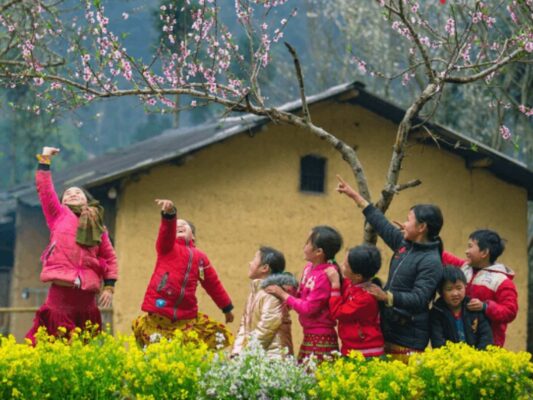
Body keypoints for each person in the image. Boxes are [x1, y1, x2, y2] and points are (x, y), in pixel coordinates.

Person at [336, 175, 443, 362]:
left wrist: (387, 297)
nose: (404, 223)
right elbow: (381, 223)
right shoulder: (404, 244)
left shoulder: (431, 261)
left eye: (409, 220)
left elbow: (420, 298)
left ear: (421, 227)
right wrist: (355, 197)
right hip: (389, 327)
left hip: (409, 337)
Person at [26, 146, 118, 344]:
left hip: (87, 299)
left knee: (83, 348)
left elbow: (109, 257)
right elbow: (45, 190)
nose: (73, 194)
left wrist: (109, 287)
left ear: (87, 200)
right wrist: (45, 159)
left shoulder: (98, 225)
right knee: (56, 345)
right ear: (61, 202)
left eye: (78, 192)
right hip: (61, 294)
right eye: (68, 193)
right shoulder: (58, 216)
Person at [132, 199, 234, 349]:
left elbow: (213, 284)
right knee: (158, 349)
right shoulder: (166, 248)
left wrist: (226, 308)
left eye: (184, 225)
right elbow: (166, 232)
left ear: (193, 236)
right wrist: (169, 215)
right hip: (160, 310)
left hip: (185, 315)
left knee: (213, 335)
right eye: (176, 225)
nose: (179, 225)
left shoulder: (201, 258)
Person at [265, 226, 342, 362]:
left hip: (321, 338)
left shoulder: (325, 275)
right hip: (309, 335)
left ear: (319, 252)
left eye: (307, 243)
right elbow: (301, 296)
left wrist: (284, 295)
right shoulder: (308, 268)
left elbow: (308, 309)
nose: (304, 246)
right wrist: (290, 291)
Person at [442, 229, 517, 347]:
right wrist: (426, 239)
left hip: (488, 345)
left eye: (470, 246)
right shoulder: (464, 268)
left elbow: (510, 312)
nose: (466, 251)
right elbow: (444, 257)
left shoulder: (502, 281)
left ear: (484, 252)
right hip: (461, 340)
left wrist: (485, 307)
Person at [232, 246, 298, 358]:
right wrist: (237, 352)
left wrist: (244, 354)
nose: (250, 263)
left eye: (254, 259)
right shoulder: (255, 292)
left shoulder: (271, 294)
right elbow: (244, 326)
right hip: (257, 357)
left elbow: (265, 330)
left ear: (264, 268)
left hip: (273, 360)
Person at [327, 245, 385, 358]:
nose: (342, 266)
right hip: (352, 348)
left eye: (345, 265)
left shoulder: (366, 298)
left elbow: (337, 313)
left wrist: (335, 285)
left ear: (358, 276)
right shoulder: (352, 283)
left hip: (365, 353)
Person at [430, 266, 493, 349]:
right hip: (450, 360)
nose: (455, 293)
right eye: (449, 289)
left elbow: (486, 336)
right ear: (440, 292)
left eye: (459, 288)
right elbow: (438, 342)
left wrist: (478, 356)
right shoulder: (436, 312)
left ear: (465, 286)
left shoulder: (474, 306)